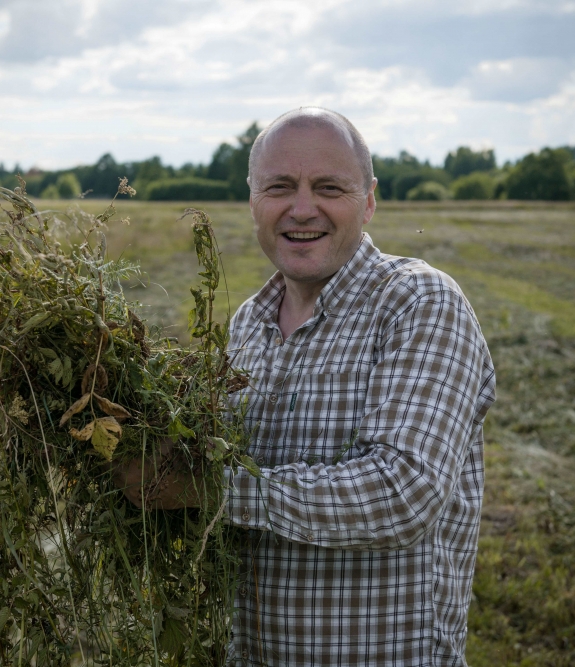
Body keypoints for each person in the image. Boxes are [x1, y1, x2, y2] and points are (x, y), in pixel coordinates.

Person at [121, 107, 496, 666]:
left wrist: (206, 487)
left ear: (368, 201)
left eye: (328, 187)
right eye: (280, 187)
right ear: (253, 200)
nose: (301, 208)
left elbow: (404, 490)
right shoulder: (248, 323)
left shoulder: (419, 303)